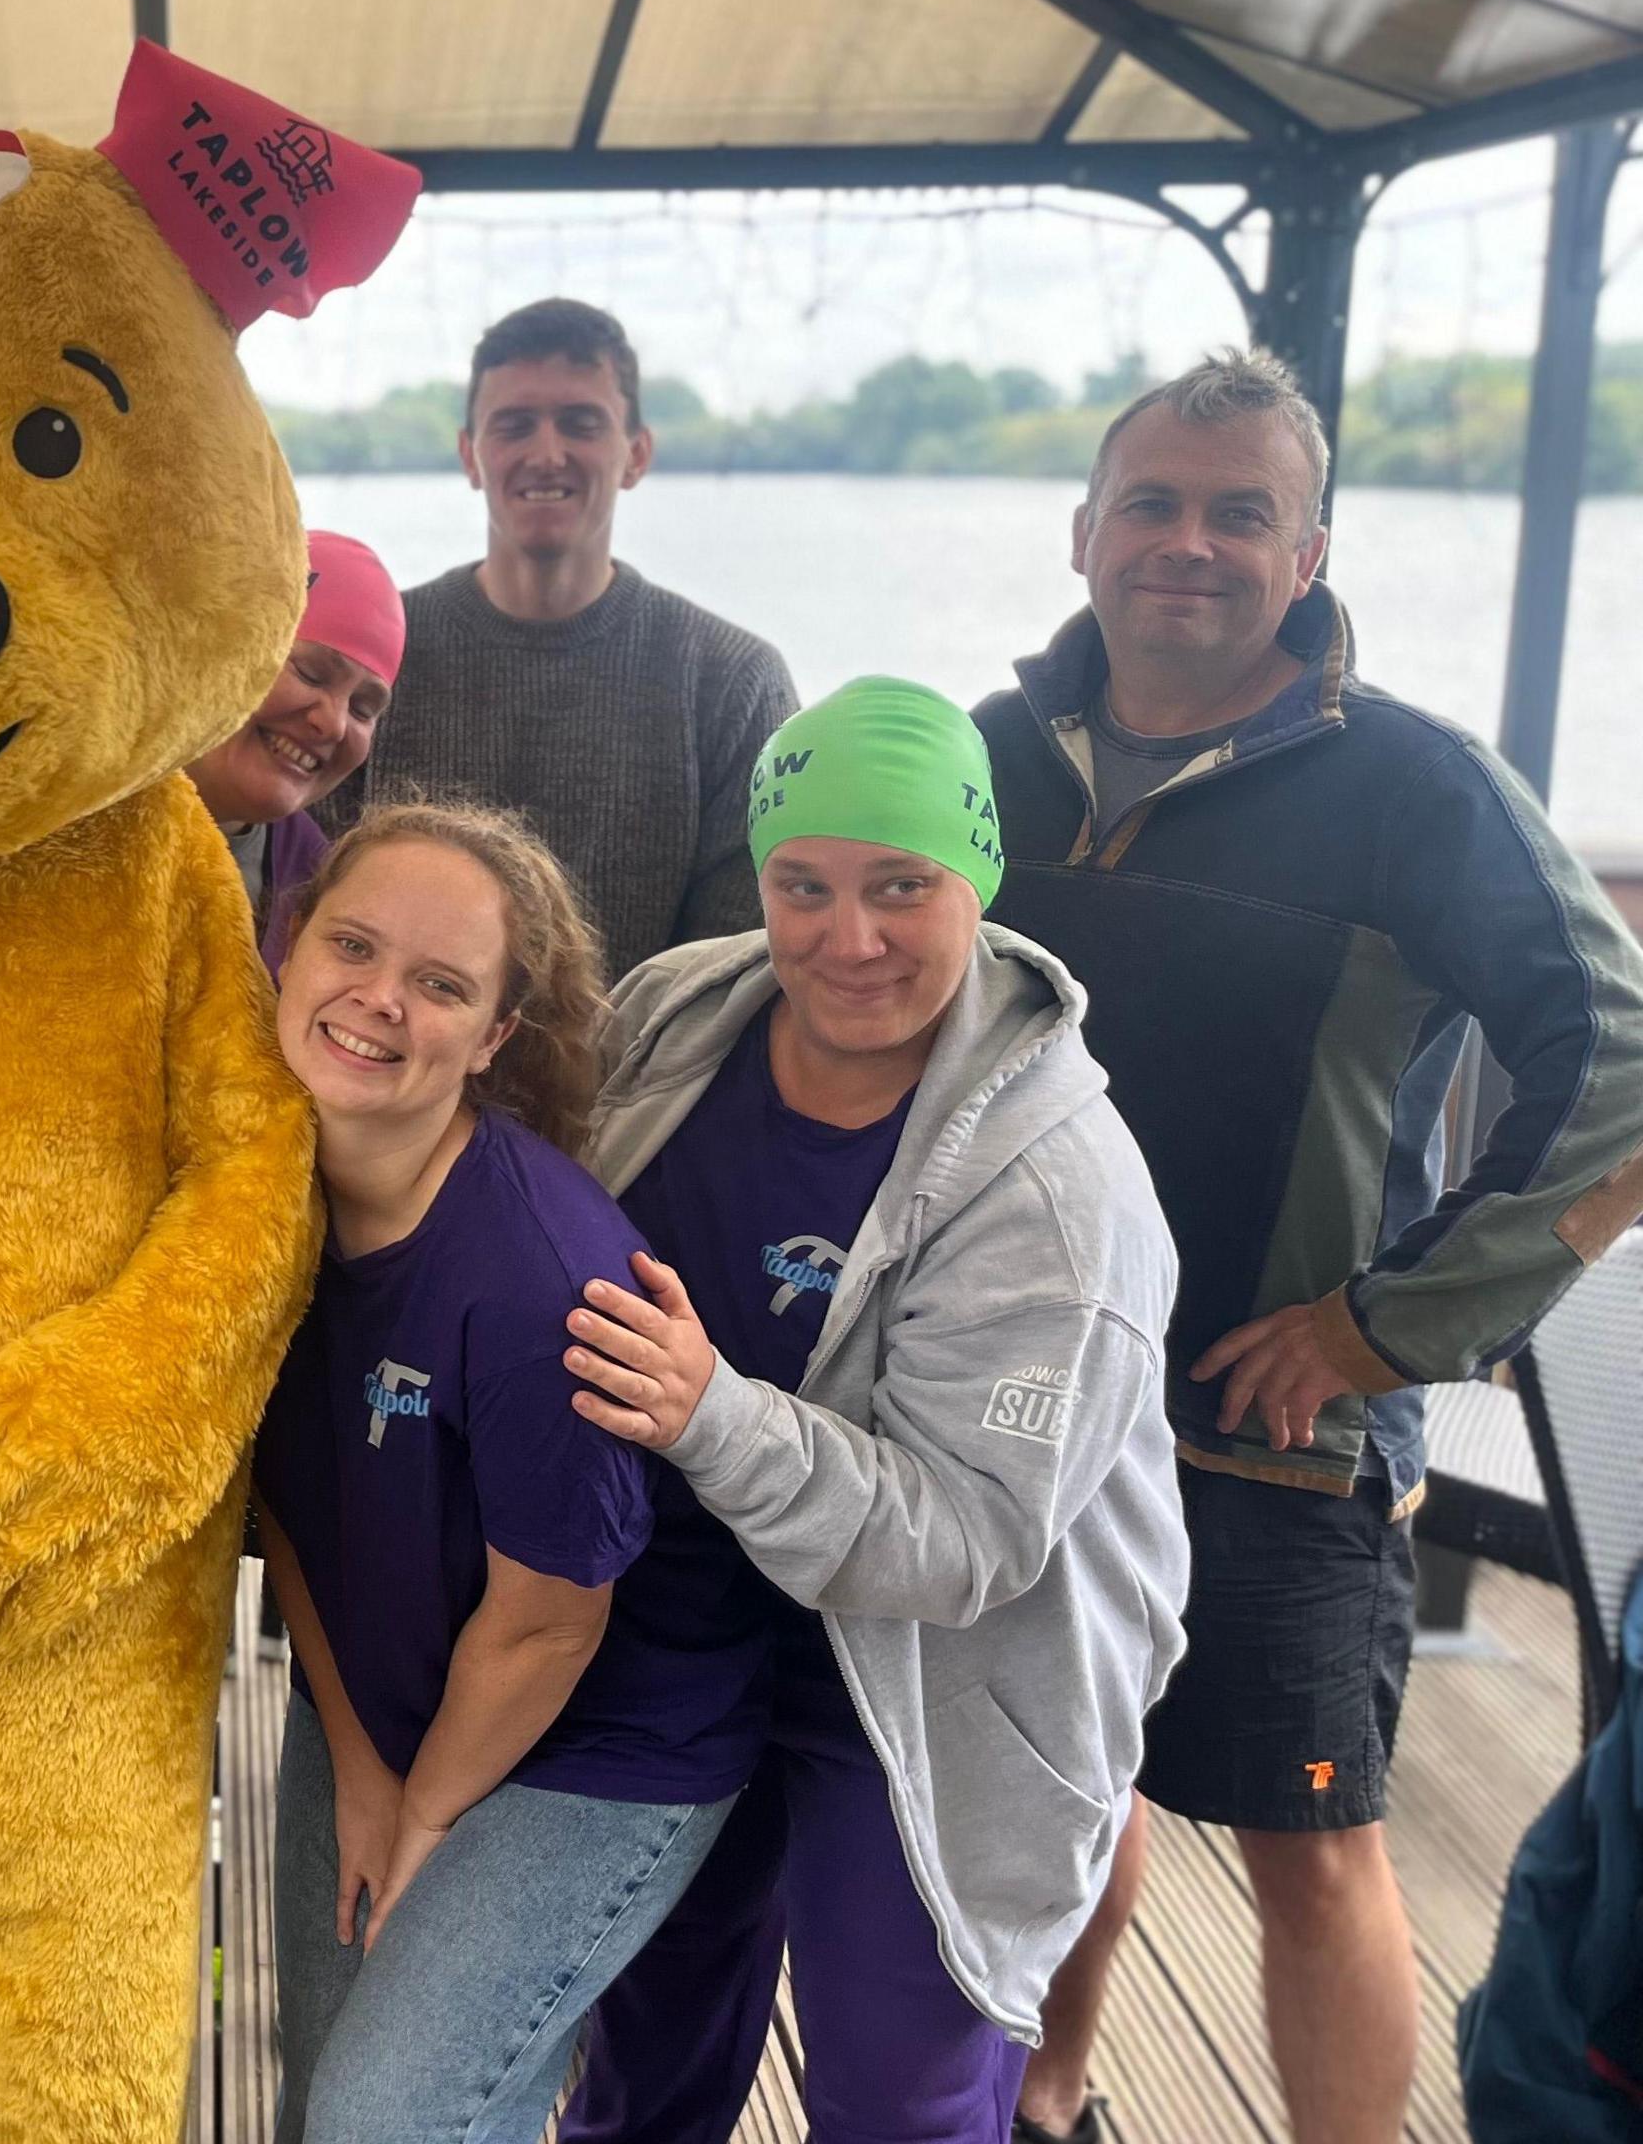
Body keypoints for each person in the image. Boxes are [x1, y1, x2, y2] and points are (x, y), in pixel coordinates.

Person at [980, 350, 1643, 2144]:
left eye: (1239, 513)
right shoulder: (983, 764)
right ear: (1084, 529)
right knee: (1060, 1788)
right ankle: (1045, 2104)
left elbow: (1622, 1071)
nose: (1187, 544)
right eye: (1154, 504)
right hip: (1022, 1407)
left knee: (1316, 1845)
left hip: (1272, 1425)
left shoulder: (1414, 790)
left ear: (1312, 548)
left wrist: (1385, 1329)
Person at [546, 677, 1188, 2144]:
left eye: (903, 885)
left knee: (898, 2103)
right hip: (680, 1631)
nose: (852, 938)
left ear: (979, 876)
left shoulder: (1060, 1196)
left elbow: (965, 1541)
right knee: (641, 2065)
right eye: (806, 885)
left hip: (930, 1683)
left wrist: (711, 1411)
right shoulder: (677, 1013)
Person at [254, 804, 760, 2144]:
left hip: (598, 1733)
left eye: (440, 985)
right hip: (387, 1683)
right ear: (289, 948)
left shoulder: (539, 1284)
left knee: (389, 2115)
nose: (378, 1002)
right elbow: (287, 1508)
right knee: (318, 2074)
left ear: (491, 1039)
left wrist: (424, 1815)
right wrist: (362, 1765)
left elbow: (552, 1623)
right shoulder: (250, 1203)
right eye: (353, 948)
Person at [313, 299, 798, 976]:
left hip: (648, 1082)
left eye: (581, 424)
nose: (547, 454)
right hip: (387, 1070)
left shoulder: (732, 680)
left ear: (636, 455)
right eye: (514, 426)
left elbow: (734, 966)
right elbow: (304, 903)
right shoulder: (373, 661)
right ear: (470, 455)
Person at [187, 529, 402, 969]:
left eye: (363, 708)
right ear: (220, 647)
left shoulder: (317, 885)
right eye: (310, 674)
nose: (333, 722)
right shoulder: (58, 812)